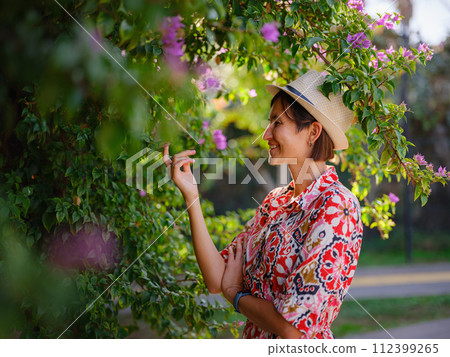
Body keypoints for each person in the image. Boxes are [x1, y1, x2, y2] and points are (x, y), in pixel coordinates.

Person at [163, 70, 363, 339]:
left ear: (313, 132)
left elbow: (292, 329)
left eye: (277, 123)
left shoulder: (337, 206)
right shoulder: (275, 202)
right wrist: (192, 197)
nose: (266, 134)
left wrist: (235, 295)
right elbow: (216, 278)